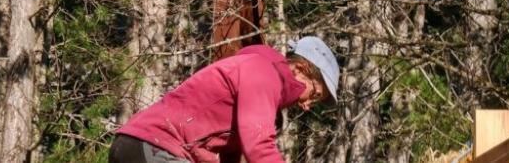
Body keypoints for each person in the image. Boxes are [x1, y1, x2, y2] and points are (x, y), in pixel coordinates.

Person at [109, 36, 340, 163]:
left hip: (139, 146)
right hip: (153, 146)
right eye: (315, 94)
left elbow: (232, 155)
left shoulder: (260, 85)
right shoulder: (263, 74)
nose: (308, 106)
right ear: (301, 69)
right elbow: (259, 146)